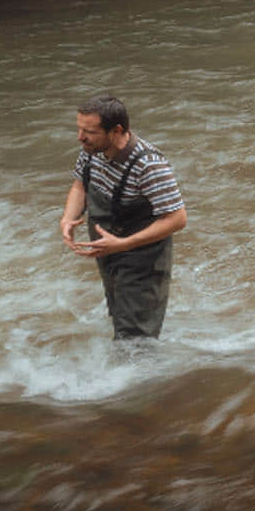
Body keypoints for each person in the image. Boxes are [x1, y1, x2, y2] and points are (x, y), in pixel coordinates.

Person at [60, 94, 187, 339]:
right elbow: (80, 185)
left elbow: (177, 219)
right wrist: (68, 218)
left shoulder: (149, 165)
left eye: (89, 131)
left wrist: (123, 244)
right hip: (109, 251)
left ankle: (142, 375)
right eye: (79, 129)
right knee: (120, 317)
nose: (80, 137)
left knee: (135, 337)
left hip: (142, 258)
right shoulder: (91, 149)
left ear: (116, 130)